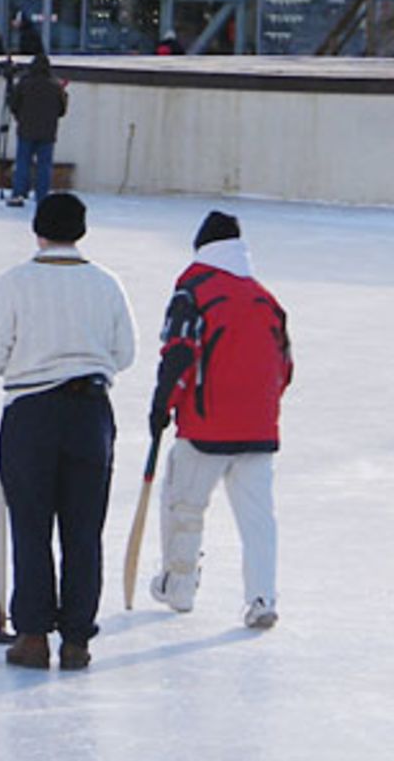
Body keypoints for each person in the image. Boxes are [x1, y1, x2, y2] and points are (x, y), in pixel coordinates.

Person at [0, 193, 137, 670]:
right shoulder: (106, 283)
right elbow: (125, 353)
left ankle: (32, 635)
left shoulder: (16, 282)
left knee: (31, 526)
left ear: (38, 230)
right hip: (90, 412)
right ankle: (77, 639)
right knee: (84, 531)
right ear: (81, 231)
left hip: (31, 411)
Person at [147, 211, 293, 629]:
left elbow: (179, 351)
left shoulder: (193, 289)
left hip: (205, 425)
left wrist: (163, 404)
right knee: (258, 519)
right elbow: (285, 367)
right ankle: (262, 598)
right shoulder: (266, 299)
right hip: (260, 428)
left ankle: (180, 585)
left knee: (184, 505)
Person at [6, 52, 68, 207]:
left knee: (23, 163)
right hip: (48, 132)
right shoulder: (55, 85)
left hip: (26, 129)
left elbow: (14, 104)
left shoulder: (24, 83)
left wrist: (20, 117)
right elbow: (62, 110)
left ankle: (18, 194)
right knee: (44, 166)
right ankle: (42, 196)